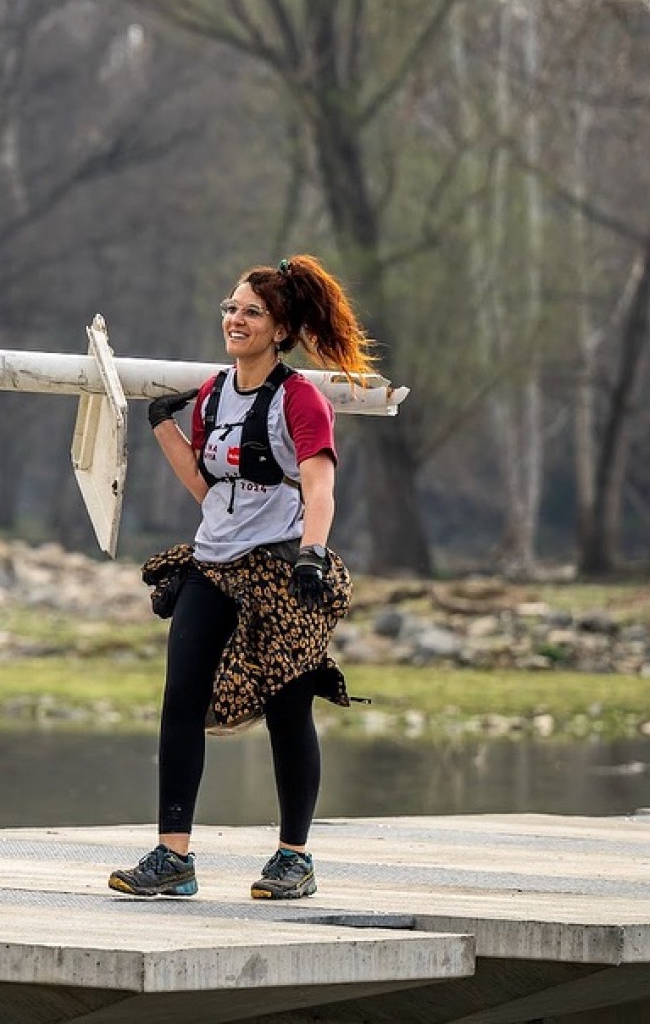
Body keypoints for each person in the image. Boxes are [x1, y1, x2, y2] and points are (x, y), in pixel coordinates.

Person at [110, 254, 375, 901]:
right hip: (213, 562)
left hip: (280, 565)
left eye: (250, 312)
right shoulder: (212, 395)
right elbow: (207, 488)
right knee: (181, 698)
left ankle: (294, 858)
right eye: (231, 308)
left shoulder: (299, 399)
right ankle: (173, 857)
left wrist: (313, 552)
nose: (235, 319)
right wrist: (164, 429)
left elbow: (319, 483)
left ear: (280, 329)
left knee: (289, 708)